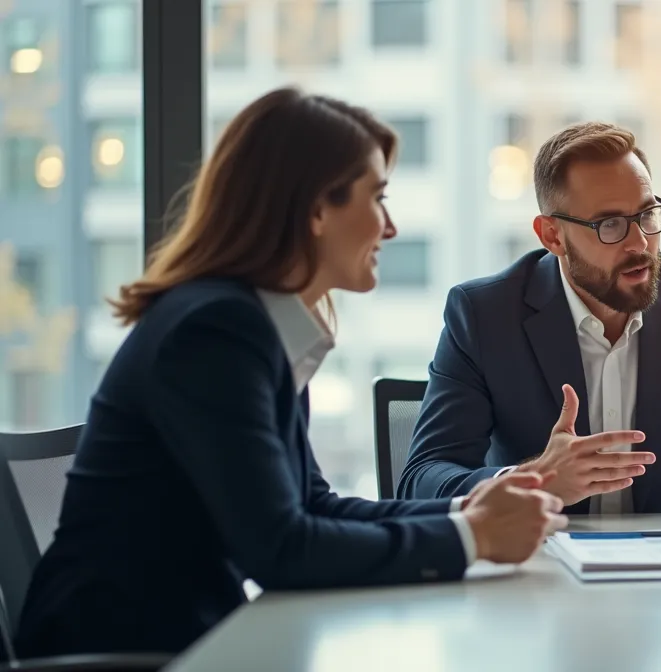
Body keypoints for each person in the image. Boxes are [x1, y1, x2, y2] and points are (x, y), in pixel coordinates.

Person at [14, 87, 567, 659]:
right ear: (316, 209)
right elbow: (282, 550)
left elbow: (312, 506)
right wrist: (473, 537)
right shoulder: (216, 332)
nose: (390, 226)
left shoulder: (251, 327)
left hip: (191, 638)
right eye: (376, 198)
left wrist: (471, 507)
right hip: (132, 651)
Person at [399, 122, 661, 517]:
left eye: (647, 214)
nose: (640, 243)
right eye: (610, 224)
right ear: (552, 235)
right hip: (538, 569)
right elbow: (423, 477)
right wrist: (532, 481)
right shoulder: (485, 316)